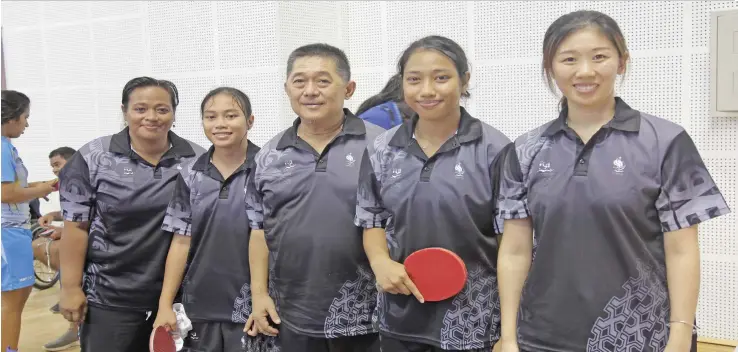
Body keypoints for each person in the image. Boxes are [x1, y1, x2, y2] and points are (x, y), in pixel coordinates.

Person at [495, 10, 731, 352]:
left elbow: (681, 250)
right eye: (569, 59)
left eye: (600, 57)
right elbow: (515, 251)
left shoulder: (665, 141)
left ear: (622, 62)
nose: (585, 71)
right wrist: (509, 336)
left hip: (642, 335)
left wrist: (679, 334)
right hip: (543, 337)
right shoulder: (525, 150)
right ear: (551, 68)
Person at [354, 35, 510, 352]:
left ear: (464, 80)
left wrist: (508, 333)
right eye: (414, 80)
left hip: (473, 322)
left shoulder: (496, 150)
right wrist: (380, 261)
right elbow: (372, 220)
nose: (427, 90)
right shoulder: (382, 149)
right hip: (400, 318)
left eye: (441, 78)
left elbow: (514, 244)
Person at [244, 43, 384, 352]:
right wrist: (259, 294)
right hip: (291, 314)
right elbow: (258, 230)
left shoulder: (382, 147)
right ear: (287, 89)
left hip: (370, 315)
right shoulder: (269, 155)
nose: (310, 91)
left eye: (323, 80)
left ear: (348, 89)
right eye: (299, 81)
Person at [57, 77, 206, 352]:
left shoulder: (196, 162)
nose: (151, 117)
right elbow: (75, 228)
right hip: (109, 296)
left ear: (174, 114)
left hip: (178, 298)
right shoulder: (93, 158)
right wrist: (70, 287)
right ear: (125, 111)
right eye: (140, 109)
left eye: (162, 109)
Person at [154, 87, 277, 352]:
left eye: (231, 115)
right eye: (211, 117)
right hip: (200, 305)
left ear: (250, 121)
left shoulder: (269, 170)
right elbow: (180, 242)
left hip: (257, 306)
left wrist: (262, 296)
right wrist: (165, 304)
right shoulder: (190, 174)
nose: (220, 124)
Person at [2, 90, 57, 352]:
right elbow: (6, 193)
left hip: (15, 231)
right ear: (11, 117)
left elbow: (17, 187)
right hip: (7, 233)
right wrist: (40, 190)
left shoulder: (7, 148)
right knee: (13, 300)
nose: (26, 123)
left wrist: (45, 185)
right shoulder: (1, 147)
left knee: (18, 297)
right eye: (25, 117)